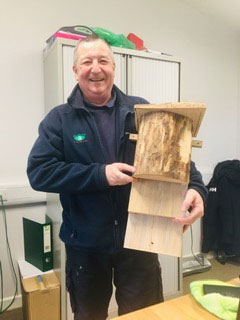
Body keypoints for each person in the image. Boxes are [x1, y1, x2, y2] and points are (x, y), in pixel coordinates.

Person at [27, 35, 208, 320]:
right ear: (75, 71)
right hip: (85, 246)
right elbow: (39, 172)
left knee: (144, 315)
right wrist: (100, 174)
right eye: (86, 61)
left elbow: (176, 154)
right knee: (89, 315)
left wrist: (197, 188)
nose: (95, 68)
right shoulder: (59, 119)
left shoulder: (141, 111)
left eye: (102, 60)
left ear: (114, 67)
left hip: (140, 238)